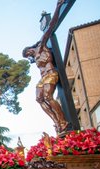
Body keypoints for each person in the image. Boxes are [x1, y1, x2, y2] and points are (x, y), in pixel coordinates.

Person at [22, 0, 68, 135]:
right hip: (43, 78)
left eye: (28, 53)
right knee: (39, 99)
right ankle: (56, 121)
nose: (29, 56)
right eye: (27, 56)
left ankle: (63, 121)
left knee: (48, 97)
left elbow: (50, 26)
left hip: (51, 73)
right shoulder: (35, 57)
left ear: (30, 49)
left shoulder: (41, 45)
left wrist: (58, 7)